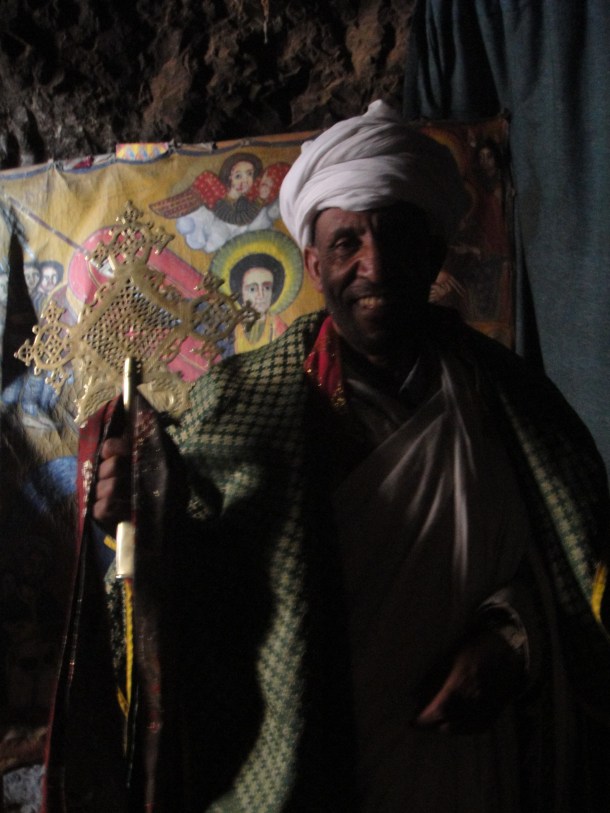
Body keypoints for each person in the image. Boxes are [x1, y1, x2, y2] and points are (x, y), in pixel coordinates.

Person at [44, 101, 610, 812]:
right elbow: (196, 587)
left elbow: (572, 564)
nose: (373, 264)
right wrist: (131, 509)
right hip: (314, 766)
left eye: (397, 236)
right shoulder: (245, 401)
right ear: (313, 263)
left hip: (480, 764)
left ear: (433, 252)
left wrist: (513, 639)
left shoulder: (512, 401)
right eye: (347, 243)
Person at [229, 251, 287, 353]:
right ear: (241, 293)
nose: (261, 295)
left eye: (267, 288)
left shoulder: (278, 327)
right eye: (252, 289)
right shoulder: (233, 329)